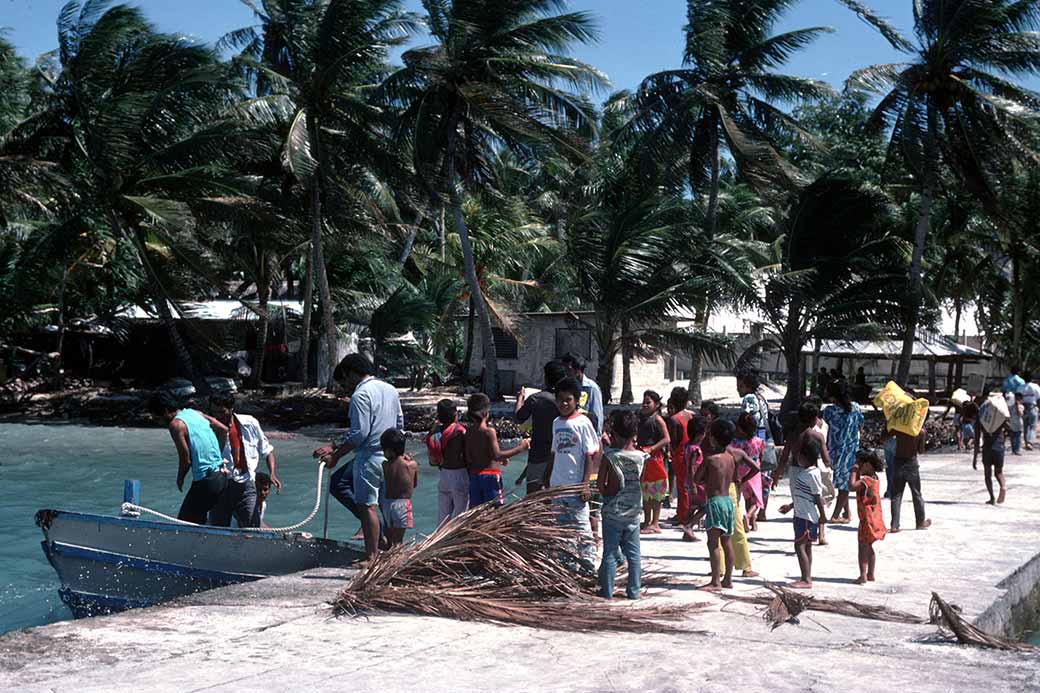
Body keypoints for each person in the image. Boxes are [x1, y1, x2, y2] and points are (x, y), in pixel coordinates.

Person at [314, 353, 404, 561]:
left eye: (345, 379)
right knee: (387, 504)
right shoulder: (390, 389)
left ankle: (371, 556)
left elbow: (360, 433)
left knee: (367, 506)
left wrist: (336, 456)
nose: (346, 385)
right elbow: (399, 424)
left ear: (351, 373)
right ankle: (393, 551)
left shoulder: (361, 395)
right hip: (390, 456)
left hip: (370, 456)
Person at [695, 419, 758, 591]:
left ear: (713, 439)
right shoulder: (732, 457)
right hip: (729, 502)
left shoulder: (710, 459)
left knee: (713, 543)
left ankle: (716, 581)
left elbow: (696, 478)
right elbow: (737, 477)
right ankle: (728, 579)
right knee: (727, 542)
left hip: (715, 502)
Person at [149, 392, 229, 524]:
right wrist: (217, 457)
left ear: (165, 411)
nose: (158, 421)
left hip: (206, 481)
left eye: (157, 418)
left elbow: (186, 460)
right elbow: (223, 429)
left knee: (185, 524)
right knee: (200, 522)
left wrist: (180, 479)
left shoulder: (176, 425)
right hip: (221, 476)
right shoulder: (195, 413)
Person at [549, 377, 601, 571]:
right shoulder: (556, 422)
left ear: (576, 400)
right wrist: (548, 480)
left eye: (568, 400)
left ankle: (588, 565)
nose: (563, 403)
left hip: (575, 486)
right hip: (558, 486)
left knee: (581, 527)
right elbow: (554, 453)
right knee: (563, 529)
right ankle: (568, 565)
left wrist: (585, 484)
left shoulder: (583, 422)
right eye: (560, 399)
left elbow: (590, 455)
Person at [774, 406, 828, 590]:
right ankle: (807, 575)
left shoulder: (793, 435)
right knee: (806, 543)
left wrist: (776, 475)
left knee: (800, 543)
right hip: (810, 474)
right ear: (813, 418)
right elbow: (826, 459)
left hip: (797, 474)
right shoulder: (817, 436)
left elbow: (783, 458)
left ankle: (806, 578)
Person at [208, 392, 279, 528]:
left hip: (246, 483)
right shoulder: (210, 429)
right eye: (214, 412)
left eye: (221, 411)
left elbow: (267, 450)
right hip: (222, 484)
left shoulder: (250, 423)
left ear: (231, 408)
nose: (218, 416)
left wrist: (272, 473)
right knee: (217, 526)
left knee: (251, 526)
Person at [597, 410, 647, 600]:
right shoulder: (642, 457)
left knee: (610, 552)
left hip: (612, 511)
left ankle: (607, 591)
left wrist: (610, 493)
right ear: (635, 435)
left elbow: (602, 486)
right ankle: (634, 591)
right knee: (634, 554)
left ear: (615, 434)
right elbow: (639, 482)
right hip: (634, 510)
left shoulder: (610, 457)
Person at [465, 393, 529, 508]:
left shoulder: (468, 432)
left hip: (474, 477)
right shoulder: (489, 432)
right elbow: (497, 455)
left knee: (475, 513)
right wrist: (521, 448)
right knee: (494, 512)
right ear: (486, 413)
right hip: (490, 477)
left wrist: (498, 460)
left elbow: (470, 457)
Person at [515, 361, 569, 494]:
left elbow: (518, 417)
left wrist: (520, 398)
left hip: (538, 455)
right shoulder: (567, 403)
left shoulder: (535, 399)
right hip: (561, 457)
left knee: (534, 500)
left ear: (546, 378)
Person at [823, 379, 864, 525]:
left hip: (833, 451)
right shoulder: (856, 408)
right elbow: (860, 427)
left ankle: (835, 515)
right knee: (844, 483)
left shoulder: (829, 411)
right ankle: (846, 512)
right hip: (851, 451)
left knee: (843, 485)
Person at [737, 369, 777, 518]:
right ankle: (762, 512)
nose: (738, 389)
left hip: (752, 441)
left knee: (750, 479)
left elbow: (747, 418)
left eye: (740, 386)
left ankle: (749, 514)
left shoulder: (748, 398)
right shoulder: (762, 398)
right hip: (765, 439)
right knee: (764, 479)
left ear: (747, 386)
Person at [881, 423, 931, 533]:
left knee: (896, 495)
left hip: (898, 462)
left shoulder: (898, 427)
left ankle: (894, 525)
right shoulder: (919, 431)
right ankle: (920, 522)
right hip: (911, 462)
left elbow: (883, 437)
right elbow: (921, 451)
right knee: (916, 493)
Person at [426, 399, 468, 523]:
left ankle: (441, 541)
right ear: (455, 414)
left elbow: (433, 460)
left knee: (443, 519)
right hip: (460, 474)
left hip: (444, 474)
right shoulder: (459, 431)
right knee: (461, 518)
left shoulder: (434, 432)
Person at [637, 390, 671, 534]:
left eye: (648, 402)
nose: (644, 405)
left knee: (656, 491)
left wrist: (652, 449)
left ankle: (655, 523)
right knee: (645, 490)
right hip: (643, 459)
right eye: (644, 402)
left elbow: (666, 439)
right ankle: (647, 520)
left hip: (655, 459)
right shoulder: (640, 418)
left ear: (656, 405)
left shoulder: (658, 420)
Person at [850, 450, 886, 584]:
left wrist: (853, 472)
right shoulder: (874, 478)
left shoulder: (865, 481)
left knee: (862, 547)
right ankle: (871, 574)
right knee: (869, 546)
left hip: (866, 519)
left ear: (868, 465)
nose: (858, 466)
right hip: (875, 518)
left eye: (860, 464)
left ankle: (862, 575)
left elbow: (852, 486)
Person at [380, 429, 417, 546]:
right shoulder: (411, 465)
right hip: (402, 505)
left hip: (387, 504)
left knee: (390, 537)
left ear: (389, 451)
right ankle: (396, 562)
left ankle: (384, 559)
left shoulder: (385, 465)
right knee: (398, 540)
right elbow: (414, 484)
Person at [731, 412, 765, 532]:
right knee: (757, 500)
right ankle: (749, 515)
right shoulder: (759, 442)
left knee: (747, 498)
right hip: (753, 473)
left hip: (739, 473)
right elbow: (760, 457)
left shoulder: (734, 443)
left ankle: (752, 523)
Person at [665, 387, 694, 525]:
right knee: (686, 486)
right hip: (691, 452)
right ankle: (682, 513)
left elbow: (674, 439)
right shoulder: (691, 415)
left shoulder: (674, 419)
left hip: (680, 454)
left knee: (682, 487)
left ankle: (683, 516)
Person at [974, 399, 1009, 505]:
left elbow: (976, 440)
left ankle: (992, 498)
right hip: (999, 446)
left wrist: (975, 458)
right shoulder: (1000, 420)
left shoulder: (980, 421)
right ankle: (1003, 486)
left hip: (987, 448)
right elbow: (1009, 427)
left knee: (987, 474)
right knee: (999, 472)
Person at [681, 416, 709, 542]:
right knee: (705, 506)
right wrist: (693, 484)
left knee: (692, 506)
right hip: (696, 482)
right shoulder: (695, 449)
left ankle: (687, 532)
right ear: (699, 435)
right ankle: (689, 526)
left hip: (688, 480)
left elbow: (684, 464)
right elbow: (692, 467)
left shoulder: (687, 446)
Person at [561, 353, 603, 435]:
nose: (566, 373)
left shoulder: (591, 388)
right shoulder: (566, 386)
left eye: (568, 369)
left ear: (578, 370)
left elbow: (597, 416)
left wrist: (597, 438)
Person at [1023, 371, 1040, 451]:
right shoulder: (1035, 386)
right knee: (1033, 426)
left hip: (1023, 408)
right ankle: (1030, 442)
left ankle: (1026, 443)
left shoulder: (1020, 387)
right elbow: (1039, 398)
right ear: (1032, 379)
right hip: (1032, 407)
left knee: (1025, 426)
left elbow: (1018, 397)